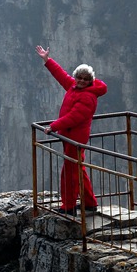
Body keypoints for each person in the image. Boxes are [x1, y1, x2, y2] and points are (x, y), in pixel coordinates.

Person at [35, 44, 107, 213]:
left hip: (75, 137)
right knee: (78, 169)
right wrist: (47, 60)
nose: (81, 80)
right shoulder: (74, 87)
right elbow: (62, 76)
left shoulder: (88, 97)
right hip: (69, 136)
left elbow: (74, 117)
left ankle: (68, 207)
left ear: (91, 81)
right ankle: (90, 203)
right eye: (79, 77)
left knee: (69, 172)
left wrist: (53, 126)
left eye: (85, 79)